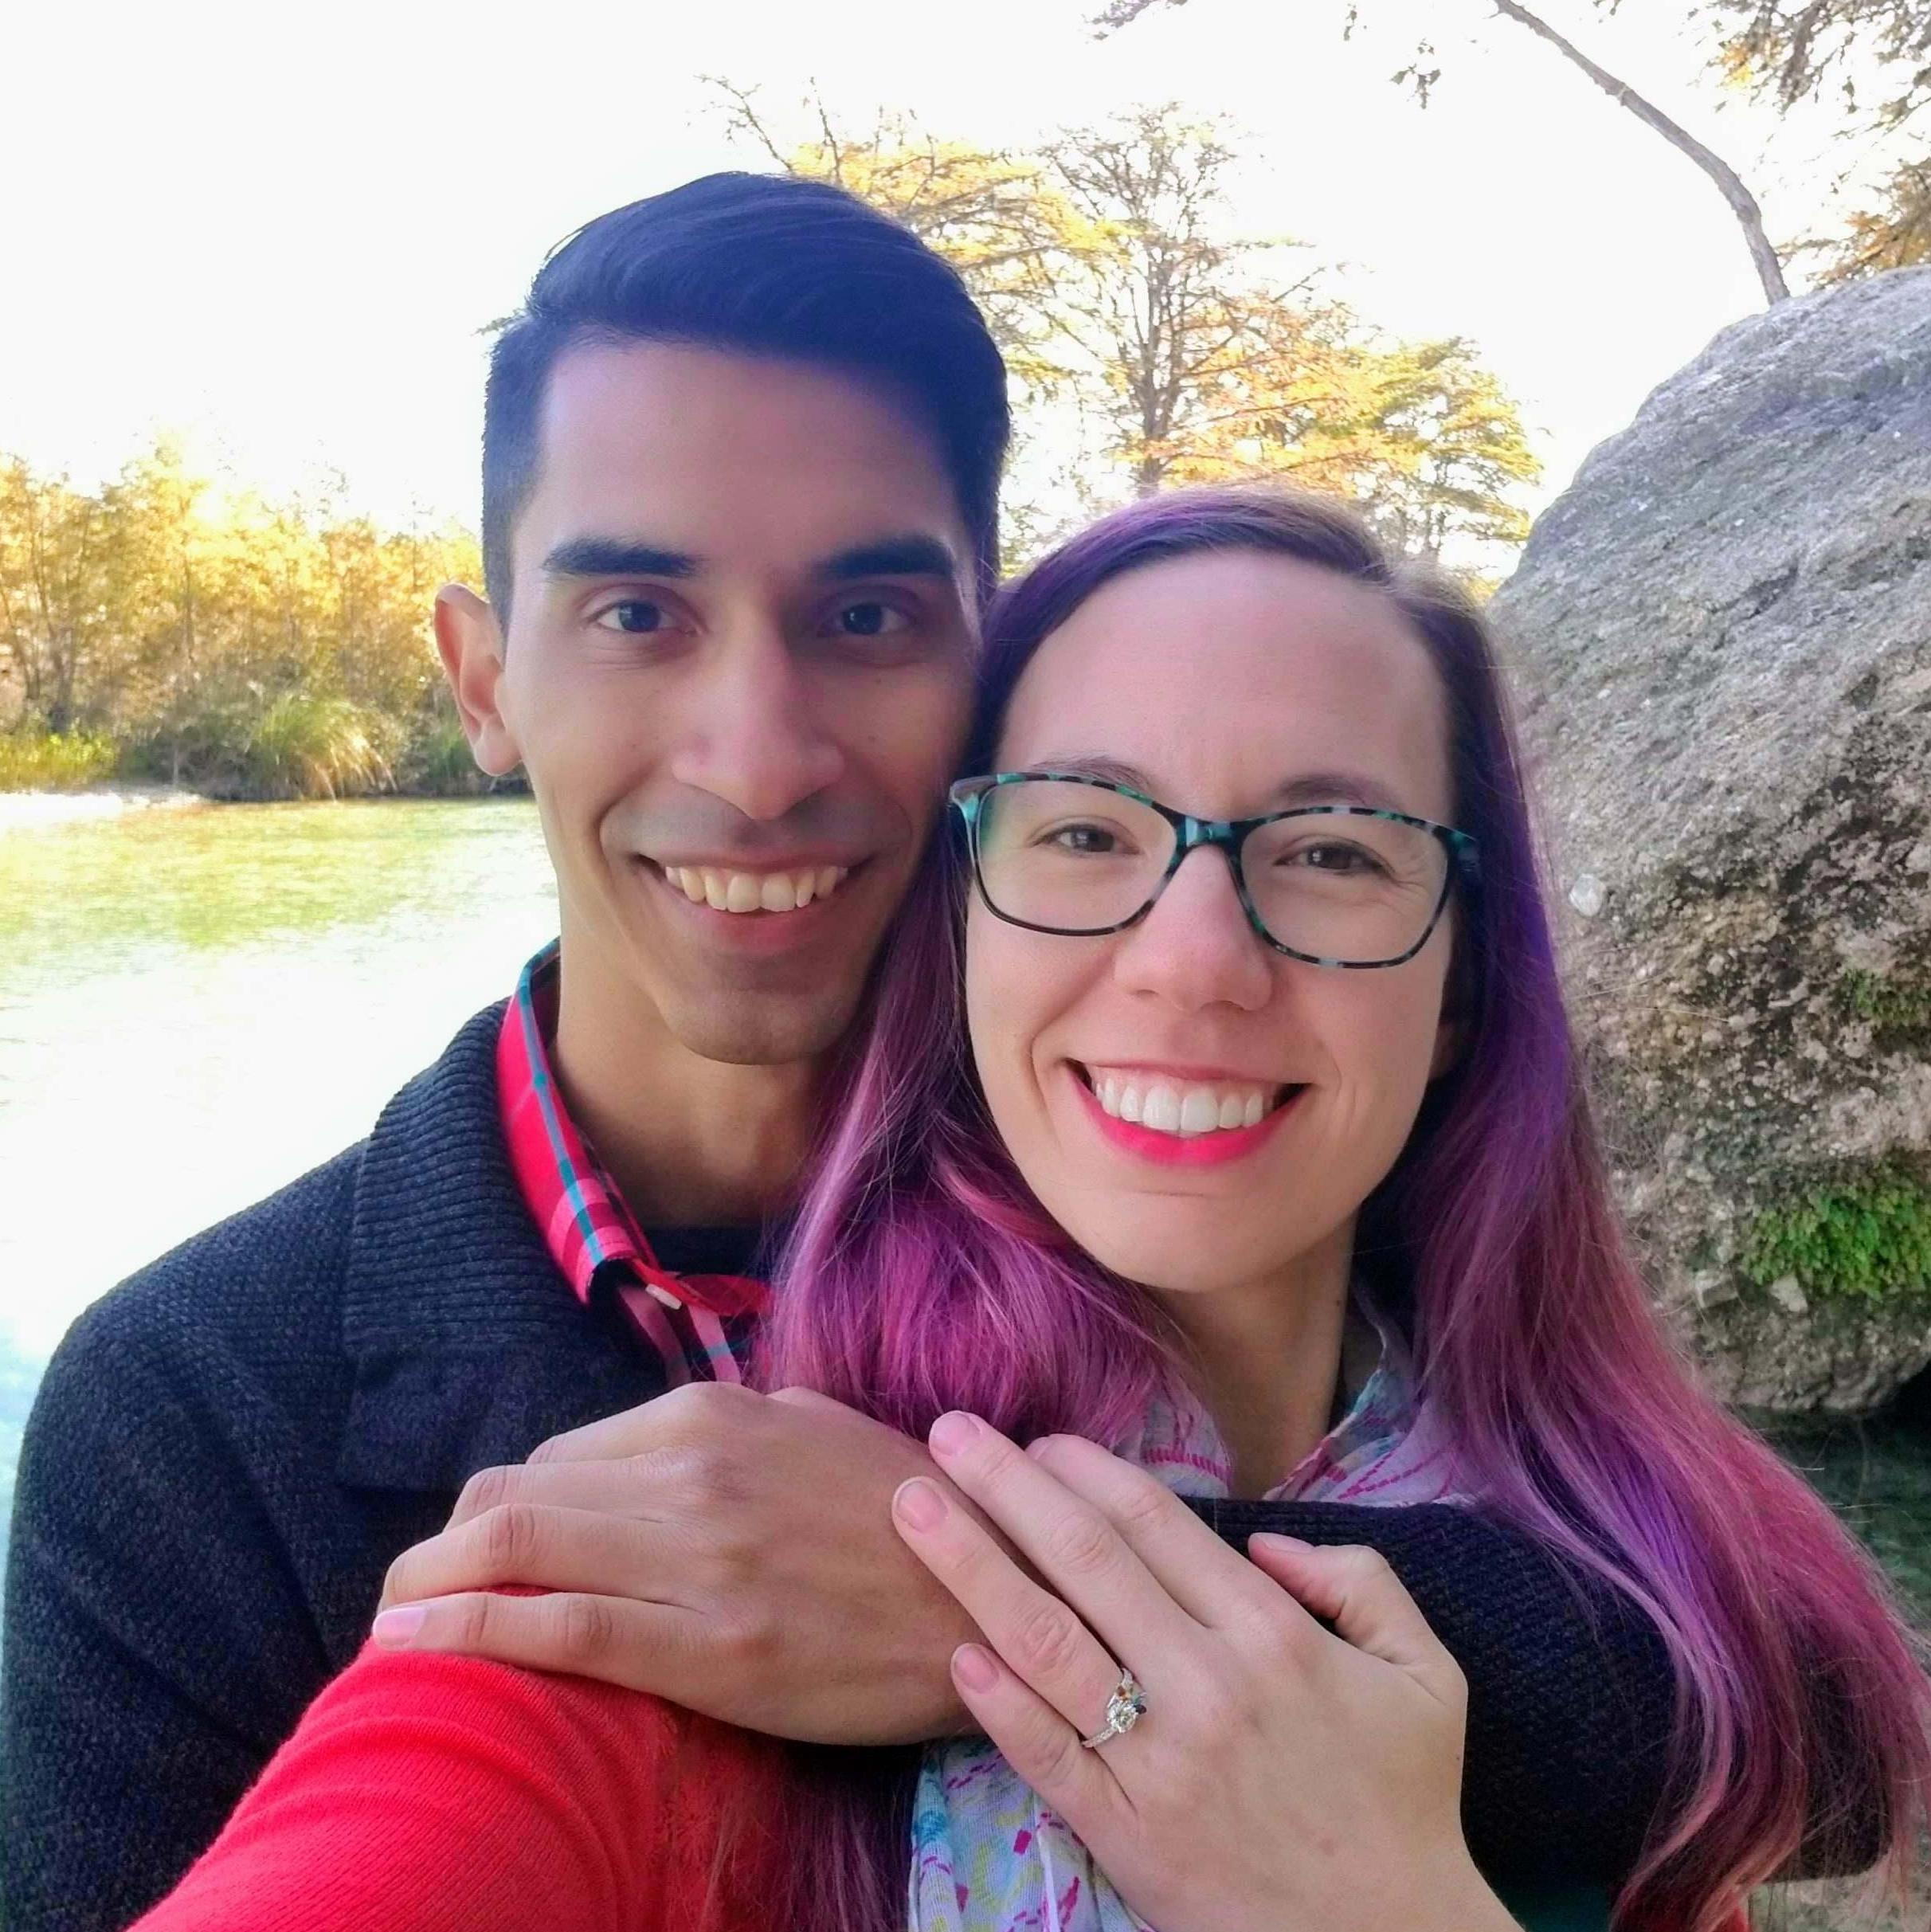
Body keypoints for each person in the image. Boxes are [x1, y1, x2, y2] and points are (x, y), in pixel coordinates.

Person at [6, 178, 1679, 1930]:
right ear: (485, 680)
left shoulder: (1214, 1163)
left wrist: (981, 1593)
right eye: (638, 615)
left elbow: (1735, 1648)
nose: (758, 758)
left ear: (991, 671)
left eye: (867, 617)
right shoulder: (192, 1405)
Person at [131, 488, 1925, 1932]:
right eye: (1083, 833)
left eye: (1332, 850)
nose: (1196, 963)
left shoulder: (1582, 1510)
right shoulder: (743, 1561)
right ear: (960, 913)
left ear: (1460, 982)